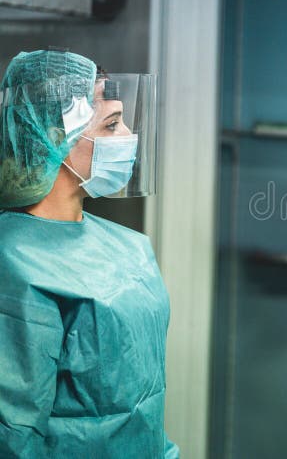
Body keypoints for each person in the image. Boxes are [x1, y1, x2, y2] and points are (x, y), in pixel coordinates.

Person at [0, 49, 178, 457]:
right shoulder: (13, 262)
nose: (128, 134)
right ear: (55, 135)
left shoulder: (128, 245)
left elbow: (145, 393)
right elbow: (14, 431)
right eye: (112, 124)